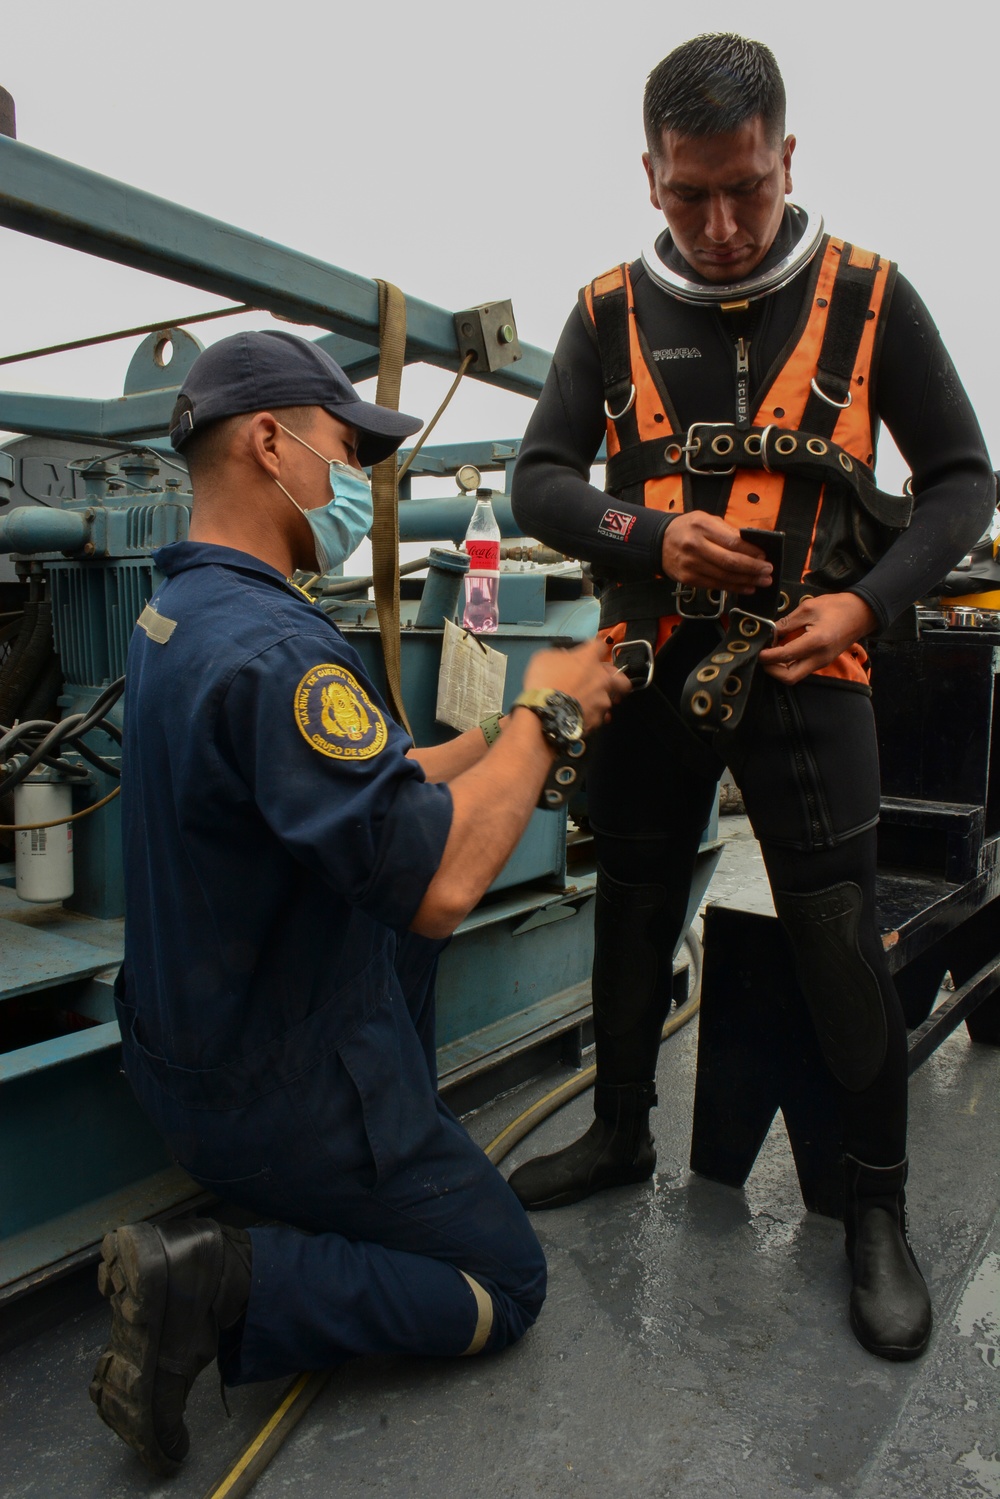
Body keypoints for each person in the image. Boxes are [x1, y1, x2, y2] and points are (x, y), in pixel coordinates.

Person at [509, 32, 994, 1361]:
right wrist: (649, 537)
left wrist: (865, 601)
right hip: (655, 665)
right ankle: (618, 1126)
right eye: (688, 196)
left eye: (747, 189)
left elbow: (961, 478)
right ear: (650, 175)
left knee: (840, 932)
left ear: (788, 158)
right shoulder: (607, 310)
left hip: (808, 665)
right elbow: (537, 481)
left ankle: (876, 1209)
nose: (721, 226)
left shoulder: (874, 296)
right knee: (632, 895)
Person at [89, 330, 626, 1476]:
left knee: (391, 889)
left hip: (179, 1052)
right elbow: (438, 890)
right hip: (270, 1100)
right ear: (270, 442)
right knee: (505, 1280)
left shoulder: (179, 613)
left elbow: (366, 781)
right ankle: (228, 1279)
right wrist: (550, 716)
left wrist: (484, 740)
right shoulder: (284, 650)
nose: (350, 484)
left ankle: (386, 1155)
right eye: (341, 451)